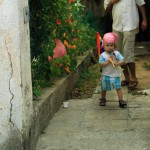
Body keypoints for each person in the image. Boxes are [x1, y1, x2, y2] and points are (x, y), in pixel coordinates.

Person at [104, 0, 148, 89]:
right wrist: (113, 1)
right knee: (118, 54)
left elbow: (141, 4)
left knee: (128, 52)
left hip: (130, 25)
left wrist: (144, 19)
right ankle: (127, 78)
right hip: (117, 25)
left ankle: (134, 78)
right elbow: (107, 9)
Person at [99, 32, 127, 108]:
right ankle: (103, 99)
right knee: (104, 88)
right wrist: (108, 61)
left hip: (115, 75)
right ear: (104, 46)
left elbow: (123, 60)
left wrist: (117, 63)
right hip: (106, 75)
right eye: (107, 45)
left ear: (114, 46)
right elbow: (101, 64)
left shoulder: (116, 53)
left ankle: (121, 100)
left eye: (111, 45)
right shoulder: (103, 55)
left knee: (118, 88)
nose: (110, 47)